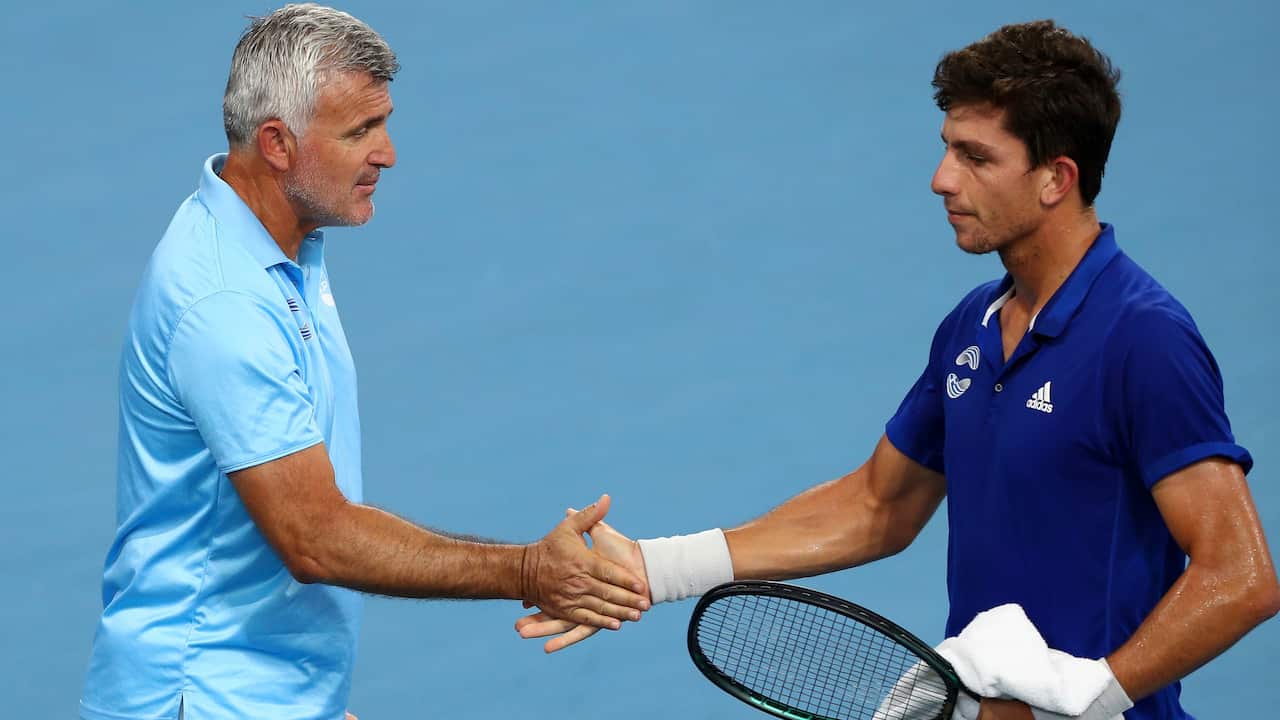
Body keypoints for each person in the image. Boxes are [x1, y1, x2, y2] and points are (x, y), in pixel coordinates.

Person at [517, 19, 1279, 720]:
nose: (941, 179)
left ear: (1056, 178)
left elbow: (1240, 576)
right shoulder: (972, 327)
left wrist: (1088, 692)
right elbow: (879, 506)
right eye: (948, 147)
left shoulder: (1142, 339)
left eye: (976, 157)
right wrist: (656, 567)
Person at [79, 5, 648, 720]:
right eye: (359, 132)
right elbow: (315, 538)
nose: (388, 154)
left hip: (256, 694)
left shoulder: (280, 240)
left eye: (382, 124)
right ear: (278, 144)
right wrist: (530, 569)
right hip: (202, 698)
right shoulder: (224, 302)